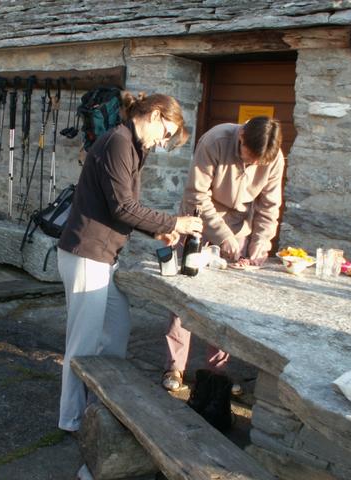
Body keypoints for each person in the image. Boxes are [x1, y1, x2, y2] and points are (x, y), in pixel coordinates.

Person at [57, 91, 204, 432]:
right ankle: (72, 420)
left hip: (103, 258)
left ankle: (100, 402)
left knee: (117, 329)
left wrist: (157, 233)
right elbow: (122, 206)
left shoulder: (133, 146)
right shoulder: (118, 143)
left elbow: (121, 208)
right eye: (166, 133)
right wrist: (173, 223)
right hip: (85, 256)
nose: (162, 142)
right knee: (82, 344)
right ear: (154, 114)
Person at [162, 116, 284, 392]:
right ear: (241, 136)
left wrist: (261, 241)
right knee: (183, 297)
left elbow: (269, 205)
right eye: (248, 159)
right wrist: (222, 235)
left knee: (223, 300)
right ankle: (174, 367)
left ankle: (216, 372)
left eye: (257, 164)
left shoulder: (273, 157)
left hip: (238, 225)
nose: (252, 166)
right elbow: (197, 195)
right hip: (198, 221)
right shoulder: (215, 140)